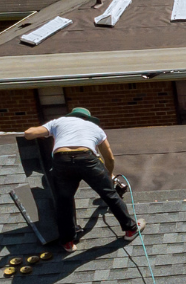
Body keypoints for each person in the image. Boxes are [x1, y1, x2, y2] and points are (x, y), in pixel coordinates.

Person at [21, 107, 144, 252]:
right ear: (87, 118)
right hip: (87, 159)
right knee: (110, 195)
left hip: (62, 160)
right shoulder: (94, 127)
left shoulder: (59, 122)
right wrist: (108, 177)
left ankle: (68, 242)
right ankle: (130, 230)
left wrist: (45, 133)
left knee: (64, 200)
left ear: (72, 115)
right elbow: (109, 158)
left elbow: (29, 134)